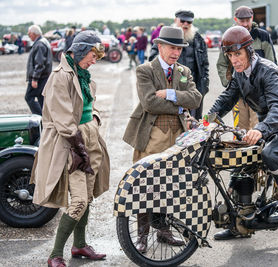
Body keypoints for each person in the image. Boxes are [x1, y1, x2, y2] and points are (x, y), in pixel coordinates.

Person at [209, 26, 278, 240]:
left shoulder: (268, 70)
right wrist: (207, 120)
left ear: (248, 51)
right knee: (240, 161)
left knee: (271, 154)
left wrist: (260, 129)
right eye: (230, 55)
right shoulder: (239, 73)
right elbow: (226, 98)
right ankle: (240, 224)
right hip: (270, 128)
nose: (234, 59)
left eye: (237, 54)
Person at [31, 30, 110, 267]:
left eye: (97, 56)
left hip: (88, 136)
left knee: (87, 196)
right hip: (70, 143)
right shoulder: (60, 76)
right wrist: (80, 149)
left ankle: (80, 245)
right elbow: (63, 119)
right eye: (92, 55)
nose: (94, 61)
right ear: (80, 51)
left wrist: (94, 120)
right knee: (78, 201)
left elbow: (91, 104)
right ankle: (55, 254)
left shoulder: (83, 75)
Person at [123, 26, 202, 253]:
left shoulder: (184, 71)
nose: (175, 52)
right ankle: (142, 236)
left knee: (170, 186)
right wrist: (180, 107)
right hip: (151, 136)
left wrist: (171, 94)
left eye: (179, 48)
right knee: (145, 187)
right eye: (171, 47)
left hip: (176, 138)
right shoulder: (145, 70)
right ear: (160, 46)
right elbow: (149, 103)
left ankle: (164, 231)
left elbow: (195, 99)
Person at [217, 5, 277, 132]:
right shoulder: (228, 37)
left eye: (247, 20)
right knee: (240, 128)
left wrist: (266, 86)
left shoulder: (263, 35)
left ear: (252, 18)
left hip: (259, 92)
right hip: (239, 92)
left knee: (258, 128)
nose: (245, 24)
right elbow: (221, 64)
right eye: (241, 21)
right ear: (235, 19)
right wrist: (230, 83)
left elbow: (272, 62)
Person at [149, 10, 209, 120]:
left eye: (189, 22)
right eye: (182, 21)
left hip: (193, 87)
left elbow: (205, 65)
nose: (185, 24)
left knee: (193, 123)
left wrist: (204, 87)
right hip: (170, 87)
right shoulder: (164, 37)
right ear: (175, 20)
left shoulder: (198, 39)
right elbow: (152, 59)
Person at [25, 25, 52, 115]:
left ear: (34, 33)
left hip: (40, 78)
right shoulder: (44, 42)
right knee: (41, 99)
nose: (29, 36)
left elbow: (39, 64)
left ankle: (40, 117)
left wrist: (35, 79)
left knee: (29, 97)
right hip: (44, 77)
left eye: (29, 34)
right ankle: (45, 118)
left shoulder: (39, 44)